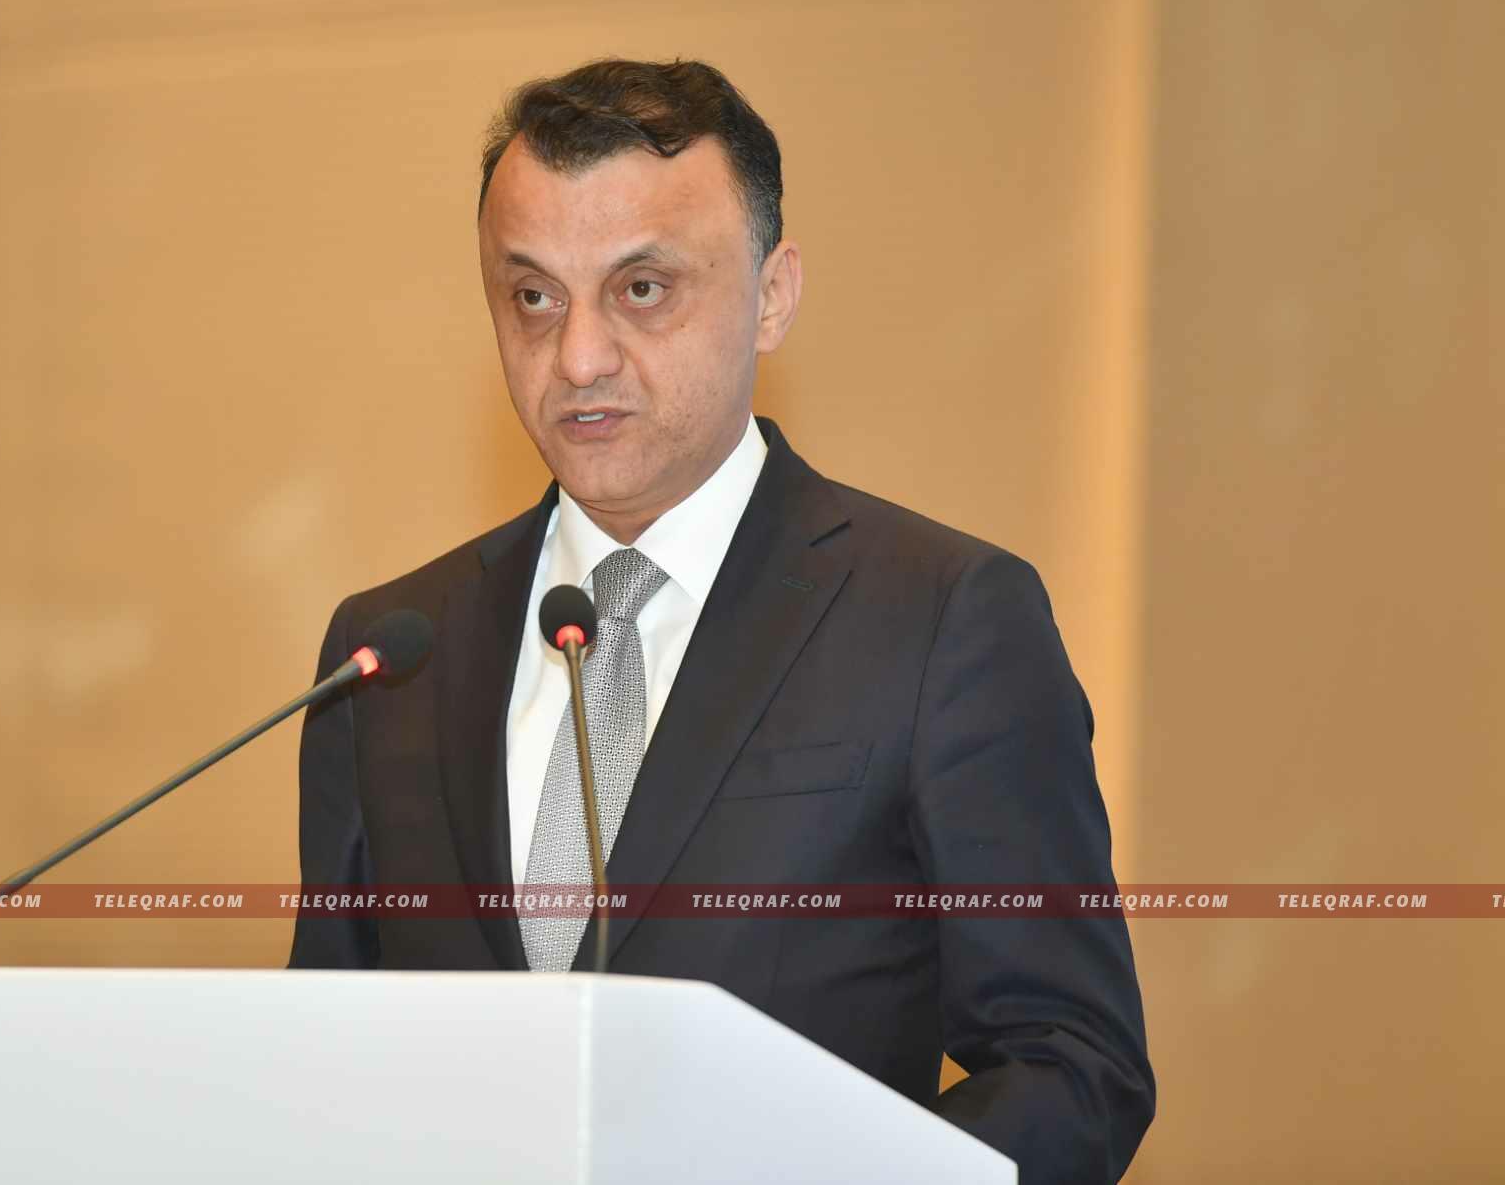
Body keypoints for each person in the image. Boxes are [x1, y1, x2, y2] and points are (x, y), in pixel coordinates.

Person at [289, 58, 1154, 1183]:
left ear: (773, 293)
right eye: (533, 296)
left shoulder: (939, 620)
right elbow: (323, 1070)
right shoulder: (389, 651)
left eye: (642, 288)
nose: (578, 356)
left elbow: (1071, 1065)